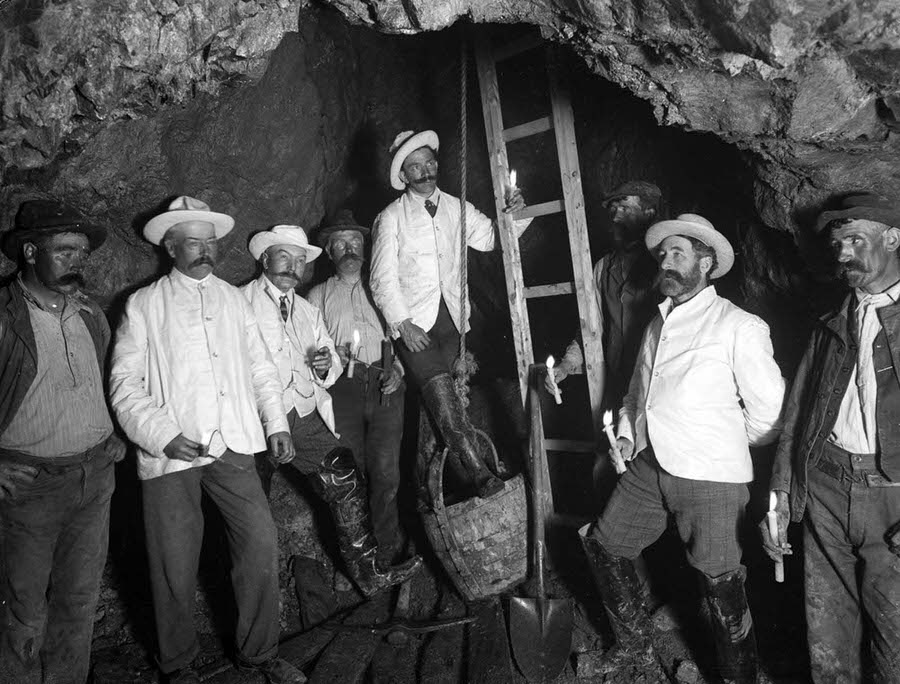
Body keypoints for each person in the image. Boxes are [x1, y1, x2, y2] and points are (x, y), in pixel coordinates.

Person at [580, 214, 785, 682]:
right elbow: (637, 395)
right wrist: (631, 435)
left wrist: (722, 443)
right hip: (650, 466)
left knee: (720, 583)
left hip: (711, 477)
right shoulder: (656, 324)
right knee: (606, 544)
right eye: (663, 254)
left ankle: (738, 677)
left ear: (706, 263)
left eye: (679, 254)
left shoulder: (738, 325)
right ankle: (633, 647)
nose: (666, 262)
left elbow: (770, 414)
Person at [108, 196, 305, 684]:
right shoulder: (144, 304)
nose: (204, 250)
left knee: (259, 541)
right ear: (170, 247)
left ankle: (258, 653)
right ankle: (177, 665)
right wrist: (162, 436)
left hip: (233, 443)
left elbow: (261, 368)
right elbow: (123, 385)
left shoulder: (234, 300)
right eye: (193, 242)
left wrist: (275, 423)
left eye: (211, 241)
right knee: (172, 561)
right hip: (172, 452)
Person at [764, 193, 900, 682]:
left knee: (895, 643)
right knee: (827, 631)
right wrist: (781, 494)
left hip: (893, 497)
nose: (843, 254)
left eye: (856, 240)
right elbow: (798, 411)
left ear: (893, 238)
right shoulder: (831, 321)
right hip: (824, 485)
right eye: (838, 243)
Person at [242, 224, 421, 593]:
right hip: (257, 417)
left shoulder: (308, 309)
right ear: (264, 258)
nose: (292, 267)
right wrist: (335, 371)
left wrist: (325, 366)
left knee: (352, 477)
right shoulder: (242, 302)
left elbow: (327, 360)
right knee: (251, 505)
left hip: (316, 409)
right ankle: (256, 592)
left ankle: (371, 570)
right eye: (283, 257)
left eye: (298, 260)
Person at [0, 200, 125, 684]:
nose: (78, 261)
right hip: (29, 487)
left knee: (79, 602)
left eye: (82, 253)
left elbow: (102, 383)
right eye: (65, 250)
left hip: (93, 481)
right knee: (23, 612)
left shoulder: (90, 314)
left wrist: (112, 433)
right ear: (30, 252)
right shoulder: (6, 317)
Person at [369, 129, 531, 501]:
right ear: (403, 176)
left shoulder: (457, 207)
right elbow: (381, 277)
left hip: (456, 321)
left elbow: (491, 239)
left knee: (454, 404)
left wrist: (514, 215)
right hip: (416, 326)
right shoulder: (391, 217)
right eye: (415, 167)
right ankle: (478, 474)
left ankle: (443, 480)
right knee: (441, 394)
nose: (424, 172)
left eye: (428, 164)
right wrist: (402, 323)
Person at [307, 211, 407, 568]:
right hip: (341, 387)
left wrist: (397, 370)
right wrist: (330, 356)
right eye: (340, 244)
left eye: (355, 243)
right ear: (329, 252)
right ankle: (356, 554)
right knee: (352, 473)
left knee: (386, 472)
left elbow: (405, 335)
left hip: (386, 384)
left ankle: (387, 550)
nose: (349, 250)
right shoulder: (317, 295)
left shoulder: (383, 286)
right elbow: (312, 347)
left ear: (365, 248)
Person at [544, 180, 661, 412]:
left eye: (625, 208)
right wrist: (567, 365)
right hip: (617, 386)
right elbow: (590, 329)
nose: (616, 217)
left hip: (658, 388)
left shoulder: (664, 265)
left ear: (649, 213)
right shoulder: (602, 268)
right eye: (613, 209)